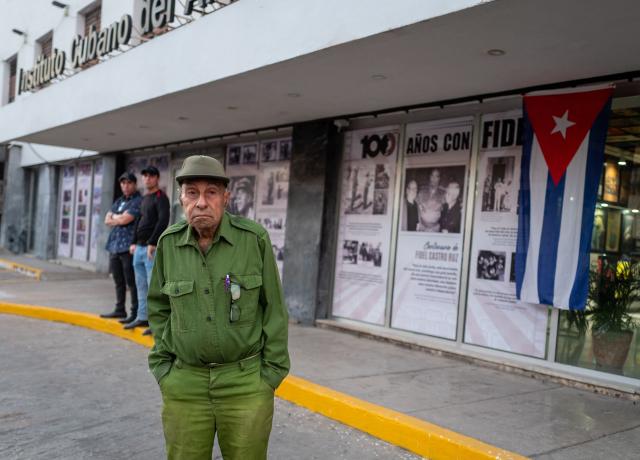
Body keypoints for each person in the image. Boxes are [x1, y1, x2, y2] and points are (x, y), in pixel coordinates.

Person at [147, 155, 290, 460]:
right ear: (181, 199)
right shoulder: (168, 245)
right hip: (184, 385)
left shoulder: (254, 240)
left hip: (246, 385)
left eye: (211, 192)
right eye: (192, 193)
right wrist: (164, 369)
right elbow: (159, 308)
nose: (201, 202)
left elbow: (274, 309)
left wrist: (270, 375)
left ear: (226, 198)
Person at [125, 165, 170, 334]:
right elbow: (139, 221)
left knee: (154, 288)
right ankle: (142, 317)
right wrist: (134, 242)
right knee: (140, 286)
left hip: (152, 249)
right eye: (145, 176)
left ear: (157, 178)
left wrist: (153, 242)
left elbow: (163, 221)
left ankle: (155, 323)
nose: (147, 179)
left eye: (151, 176)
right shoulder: (145, 198)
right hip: (139, 248)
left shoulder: (161, 197)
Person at [100, 172, 142, 322]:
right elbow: (107, 219)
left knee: (131, 282)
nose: (125, 186)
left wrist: (116, 218)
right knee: (118, 280)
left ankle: (135, 312)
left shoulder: (138, 200)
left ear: (134, 184)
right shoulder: (119, 200)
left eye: (129, 183)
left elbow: (126, 219)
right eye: (123, 183)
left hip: (128, 247)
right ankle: (119, 309)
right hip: (114, 246)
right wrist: (119, 217)